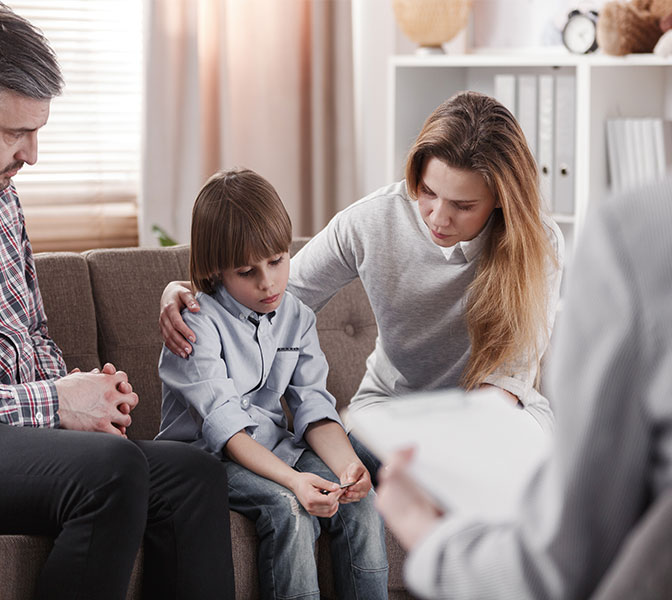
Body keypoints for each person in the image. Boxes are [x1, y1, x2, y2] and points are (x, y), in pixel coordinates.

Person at [374, 1, 672, 598]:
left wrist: (424, 530)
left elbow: (559, 566)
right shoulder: (376, 220)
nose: (438, 216)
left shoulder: (642, 235)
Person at [159, 91, 565, 477]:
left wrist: (452, 445)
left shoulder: (537, 243)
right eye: (428, 192)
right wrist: (193, 294)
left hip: (494, 414)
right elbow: (280, 294)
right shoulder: (373, 221)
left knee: (508, 466)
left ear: (500, 199)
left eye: (463, 206)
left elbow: (509, 379)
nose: (438, 218)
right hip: (391, 411)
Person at [0, 6, 234, 599]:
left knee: (193, 475)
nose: (32, 155)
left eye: (38, 131)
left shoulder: (5, 202)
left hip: (24, 434)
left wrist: (85, 398)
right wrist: (54, 402)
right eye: (14, 133)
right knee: (113, 471)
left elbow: (33, 334)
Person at [157, 168, 388, 600]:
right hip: (207, 461)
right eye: (247, 271)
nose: (268, 282)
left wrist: (347, 468)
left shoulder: (297, 316)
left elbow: (314, 409)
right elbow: (228, 434)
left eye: (278, 261)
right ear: (215, 269)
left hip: (274, 448)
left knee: (359, 502)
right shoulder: (195, 324)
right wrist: (296, 482)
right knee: (289, 508)